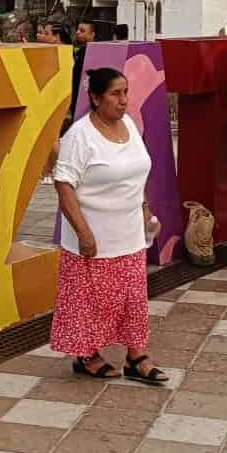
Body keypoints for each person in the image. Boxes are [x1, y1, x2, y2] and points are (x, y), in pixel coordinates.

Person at [51, 67, 168, 384]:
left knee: (132, 299)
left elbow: (136, 174)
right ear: (95, 97)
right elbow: (64, 185)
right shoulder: (80, 135)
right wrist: (84, 233)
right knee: (90, 301)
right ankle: (86, 355)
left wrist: (145, 211)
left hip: (128, 235)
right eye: (115, 94)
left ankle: (136, 356)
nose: (124, 100)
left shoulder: (129, 125)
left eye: (125, 92)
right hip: (93, 238)